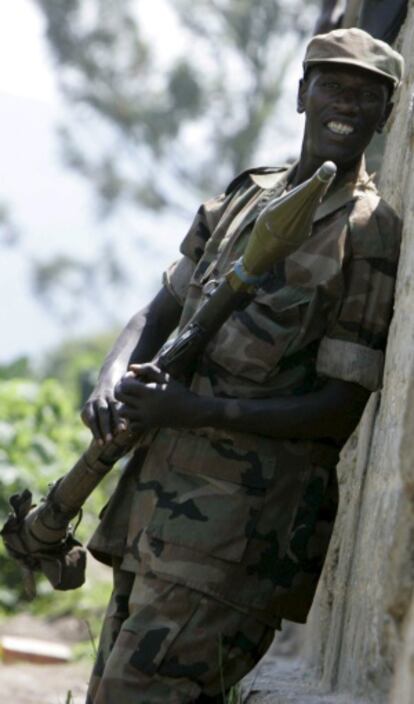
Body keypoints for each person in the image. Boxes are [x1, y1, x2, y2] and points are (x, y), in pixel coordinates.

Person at [81, 28, 404, 704]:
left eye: (367, 95)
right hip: (151, 513)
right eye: (332, 85)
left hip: (236, 542)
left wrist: (195, 410)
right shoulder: (246, 196)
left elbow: (338, 410)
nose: (346, 103)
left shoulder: (367, 232)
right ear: (301, 95)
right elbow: (159, 309)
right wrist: (111, 377)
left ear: (388, 114)